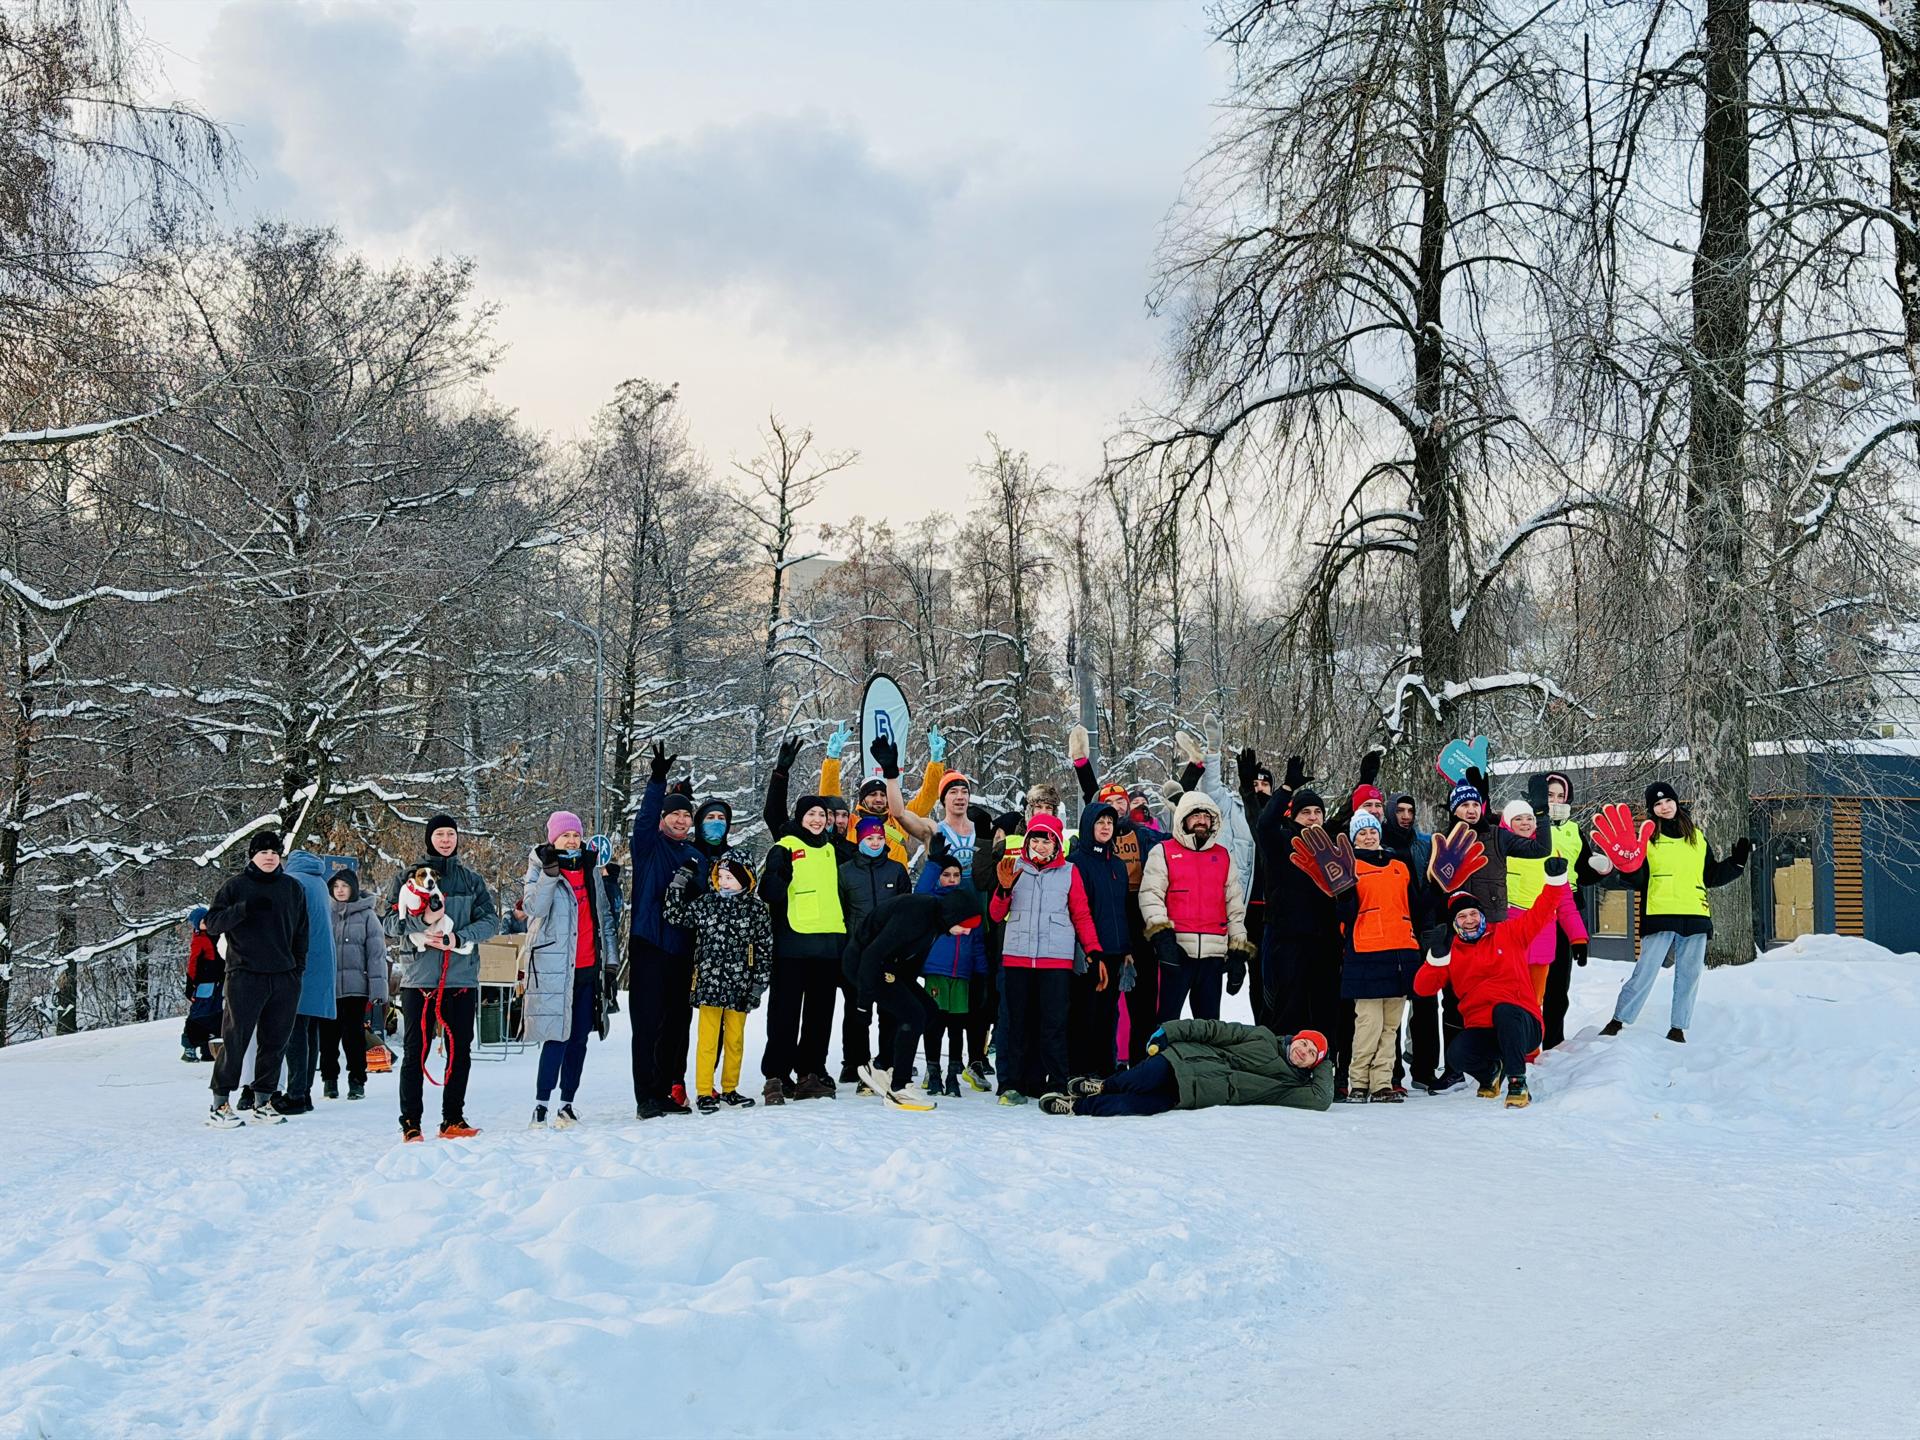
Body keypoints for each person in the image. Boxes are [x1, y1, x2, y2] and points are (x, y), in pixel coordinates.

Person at [1413, 858, 1573, 1108]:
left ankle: (1517, 1081)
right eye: (1463, 916)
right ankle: (1490, 1073)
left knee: (1504, 1010)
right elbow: (1422, 989)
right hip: (1483, 1028)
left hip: (1522, 1024)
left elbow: (1542, 911)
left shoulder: (1508, 933)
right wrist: (1435, 957)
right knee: (1457, 1053)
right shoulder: (1451, 951)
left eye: (1474, 913)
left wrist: (1555, 881)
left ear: (1482, 915)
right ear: (1455, 922)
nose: (1470, 920)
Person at [1600, 782, 1751, 1043]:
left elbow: (1710, 876)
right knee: (1645, 971)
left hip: (1695, 913)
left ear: (1676, 802)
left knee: (1690, 974)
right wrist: (1626, 869)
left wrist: (1736, 863)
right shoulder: (1647, 839)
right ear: (1652, 809)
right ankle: (1618, 1020)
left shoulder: (1697, 837)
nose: (1664, 807)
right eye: (1657, 804)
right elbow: (1638, 879)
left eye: (1668, 801)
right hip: (1659, 912)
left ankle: (1678, 1027)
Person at [383, 813, 501, 1142]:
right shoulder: (406, 878)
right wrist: (422, 924)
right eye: (440, 835)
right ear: (429, 839)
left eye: (451, 834)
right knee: (415, 1051)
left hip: (460, 976)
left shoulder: (471, 881)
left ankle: (453, 1119)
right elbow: (389, 924)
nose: (446, 840)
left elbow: (492, 922)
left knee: (459, 1051)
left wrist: (458, 938)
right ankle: (411, 1122)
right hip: (419, 977)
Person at [987, 812, 1104, 1105]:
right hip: (1017, 958)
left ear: (1056, 844)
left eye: (1046, 840)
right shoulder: (1014, 869)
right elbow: (996, 915)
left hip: (1056, 960)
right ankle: (1012, 1083)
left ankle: (1057, 1081)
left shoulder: (1069, 872)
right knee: (1017, 1023)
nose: (1039, 845)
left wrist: (1094, 950)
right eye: (1035, 839)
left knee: (1053, 1023)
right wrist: (1003, 889)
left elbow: (1082, 915)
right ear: (1027, 841)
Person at [1067, 727, 1168, 1066]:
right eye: (1107, 806)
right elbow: (1092, 800)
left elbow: (1180, 836)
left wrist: (1186, 787)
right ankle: (1094, 1063)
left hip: (1136, 919)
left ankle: (1138, 1060)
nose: (1113, 811)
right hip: (1100, 921)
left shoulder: (1143, 835)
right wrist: (1082, 763)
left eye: (1120, 802)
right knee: (1097, 1004)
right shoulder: (1087, 851)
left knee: (1140, 999)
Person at [845, 882, 985, 1109]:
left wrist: (907, 989)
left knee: (929, 1011)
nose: (967, 932)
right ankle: (899, 1087)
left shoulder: (936, 922)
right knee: (913, 1015)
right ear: (953, 916)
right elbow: (872, 953)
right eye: (965, 925)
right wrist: (862, 1004)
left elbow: (912, 962)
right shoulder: (917, 915)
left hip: (889, 968)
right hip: (864, 965)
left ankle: (880, 1066)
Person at [202, 830, 307, 1127]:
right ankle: (220, 1103)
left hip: (284, 976)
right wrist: (244, 909)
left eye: (274, 851)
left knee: (275, 1042)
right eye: (264, 852)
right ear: (252, 856)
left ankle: (264, 1100)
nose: (270, 856)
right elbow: (212, 924)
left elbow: (302, 931)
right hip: (244, 974)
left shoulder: (292, 888)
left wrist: (297, 968)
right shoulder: (235, 886)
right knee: (236, 1039)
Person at [521, 812, 617, 1127]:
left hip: (589, 967)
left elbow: (604, 918)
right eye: (565, 836)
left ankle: (567, 1103)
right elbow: (534, 908)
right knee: (555, 1038)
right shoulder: (539, 866)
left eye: (576, 835)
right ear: (553, 839)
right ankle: (540, 1105)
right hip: (554, 970)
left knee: (579, 1038)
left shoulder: (591, 867)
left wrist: (611, 962)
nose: (572, 841)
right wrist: (549, 874)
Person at [758, 791, 849, 1103]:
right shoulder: (785, 847)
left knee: (820, 1015)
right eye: (811, 814)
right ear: (800, 817)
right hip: (792, 944)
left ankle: (809, 1072)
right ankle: (776, 1076)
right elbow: (767, 891)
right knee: (784, 1013)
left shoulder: (832, 849)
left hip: (828, 944)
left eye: (822, 815)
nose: (817, 820)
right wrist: (777, 878)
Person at [1040, 1021, 1333, 1117]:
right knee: (1138, 1080)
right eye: (1304, 1043)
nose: (1302, 1051)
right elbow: (1214, 1030)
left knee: (1132, 1105)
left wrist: (1325, 1060)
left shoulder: (1289, 1086)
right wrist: (1170, 1031)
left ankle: (1076, 1107)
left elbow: (1321, 1099)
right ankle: (1102, 1085)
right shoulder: (1262, 1036)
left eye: (1310, 1054)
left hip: (1195, 1093)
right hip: (1185, 1059)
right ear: (1295, 1038)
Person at [665, 856, 774, 1111]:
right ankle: (704, 1090)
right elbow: (674, 915)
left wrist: (758, 984)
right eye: (721, 877)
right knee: (707, 1039)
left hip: (741, 986)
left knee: (735, 1039)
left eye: (731, 878)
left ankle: (730, 1088)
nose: (724, 882)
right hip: (709, 983)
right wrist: (678, 884)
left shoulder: (757, 910)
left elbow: (764, 949)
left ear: (745, 879)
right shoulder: (706, 904)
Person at [627, 742, 699, 1118]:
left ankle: (667, 1089)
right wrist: (658, 781)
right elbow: (644, 816)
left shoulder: (695, 856)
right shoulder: (648, 845)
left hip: (681, 948)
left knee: (673, 1023)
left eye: (687, 816)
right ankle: (646, 1096)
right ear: (663, 819)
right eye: (675, 816)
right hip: (649, 944)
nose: (681, 821)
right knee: (648, 1022)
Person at [1138, 791, 1254, 1024]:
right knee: (1165, 1025)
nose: (1201, 820)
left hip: (1213, 957)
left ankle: (1206, 1061)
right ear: (1183, 819)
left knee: (1209, 1026)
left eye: (1206, 816)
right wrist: (1163, 938)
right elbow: (1151, 896)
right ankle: (1162, 1061)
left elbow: (1235, 907)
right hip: (1177, 954)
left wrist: (1239, 952)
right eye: (1195, 815)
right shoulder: (1163, 851)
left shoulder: (1223, 856)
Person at [1337, 810, 1426, 1103]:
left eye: (1372, 831)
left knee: (1391, 1026)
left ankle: (1382, 1083)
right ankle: (1358, 1081)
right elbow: (1344, 915)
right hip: (1366, 951)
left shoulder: (1399, 866)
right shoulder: (1350, 867)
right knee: (1368, 1024)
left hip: (1401, 950)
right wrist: (1345, 894)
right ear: (1354, 839)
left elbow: (1415, 906)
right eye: (1361, 833)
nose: (1368, 836)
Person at [1502, 795, 1589, 1050]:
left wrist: (1578, 937)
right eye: (1518, 819)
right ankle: (1507, 1050)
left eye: (1529, 818)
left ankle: (1529, 1052)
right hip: (1510, 941)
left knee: (1534, 1001)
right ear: (1508, 823)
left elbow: (1564, 902)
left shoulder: (1550, 852)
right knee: (1507, 1000)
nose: (1526, 823)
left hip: (1542, 942)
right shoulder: (1500, 851)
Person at [836, 813, 912, 1091]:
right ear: (860, 840)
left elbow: (906, 911)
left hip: (889, 954)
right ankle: (861, 1067)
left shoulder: (896, 870)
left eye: (880, 837)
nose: (876, 842)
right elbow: (841, 913)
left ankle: (887, 1064)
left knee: (890, 1013)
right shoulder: (845, 872)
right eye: (870, 838)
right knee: (858, 1013)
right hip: (857, 955)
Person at [1066, 800, 1131, 1081]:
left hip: (1117, 951)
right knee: (1085, 1014)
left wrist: (1127, 949)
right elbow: (1076, 911)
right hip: (1090, 952)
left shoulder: (1117, 864)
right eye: (1100, 822)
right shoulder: (1076, 863)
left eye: (1110, 822)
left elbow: (1121, 909)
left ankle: (1106, 1068)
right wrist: (1088, 952)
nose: (1105, 827)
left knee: (1109, 1014)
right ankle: (1081, 1069)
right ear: (1088, 825)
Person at [914, 855, 987, 1095]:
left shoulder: (967, 902)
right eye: (946, 875)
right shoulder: (931, 901)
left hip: (962, 973)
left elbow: (976, 940)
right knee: (935, 1023)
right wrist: (934, 865)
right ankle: (933, 1070)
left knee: (957, 1025)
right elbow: (920, 893)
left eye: (956, 875)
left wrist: (981, 971)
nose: (952, 880)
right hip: (937, 970)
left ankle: (954, 1072)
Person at [826, 723, 945, 867]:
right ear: (862, 799)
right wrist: (832, 760)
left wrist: (936, 761)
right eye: (873, 794)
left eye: (883, 795)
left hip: (898, 887)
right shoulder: (851, 823)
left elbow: (927, 797)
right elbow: (831, 802)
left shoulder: (900, 820)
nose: (879, 799)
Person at [279, 849, 338, 1115]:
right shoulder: (319, 882)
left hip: (301, 963)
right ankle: (306, 1092)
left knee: (295, 1030)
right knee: (311, 1029)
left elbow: (287, 925)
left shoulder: (292, 881)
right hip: (323, 963)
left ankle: (295, 1095)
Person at [322, 869, 388, 1100]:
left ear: (353, 888)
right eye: (336, 886)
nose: (340, 890)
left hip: (356, 988)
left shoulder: (367, 916)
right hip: (328, 989)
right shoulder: (324, 912)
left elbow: (376, 955)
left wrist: (378, 990)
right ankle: (329, 1081)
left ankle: (357, 1080)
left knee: (354, 1036)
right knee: (328, 1038)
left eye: (344, 886)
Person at [181, 907, 221, 1063]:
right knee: (199, 1014)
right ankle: (189, 1047)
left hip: (218, 983)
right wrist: (190, 984)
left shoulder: (218, 935)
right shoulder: (200, 939)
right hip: (205, 983)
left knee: (216, 1014)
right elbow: (193, 962)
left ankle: (208, 1050)